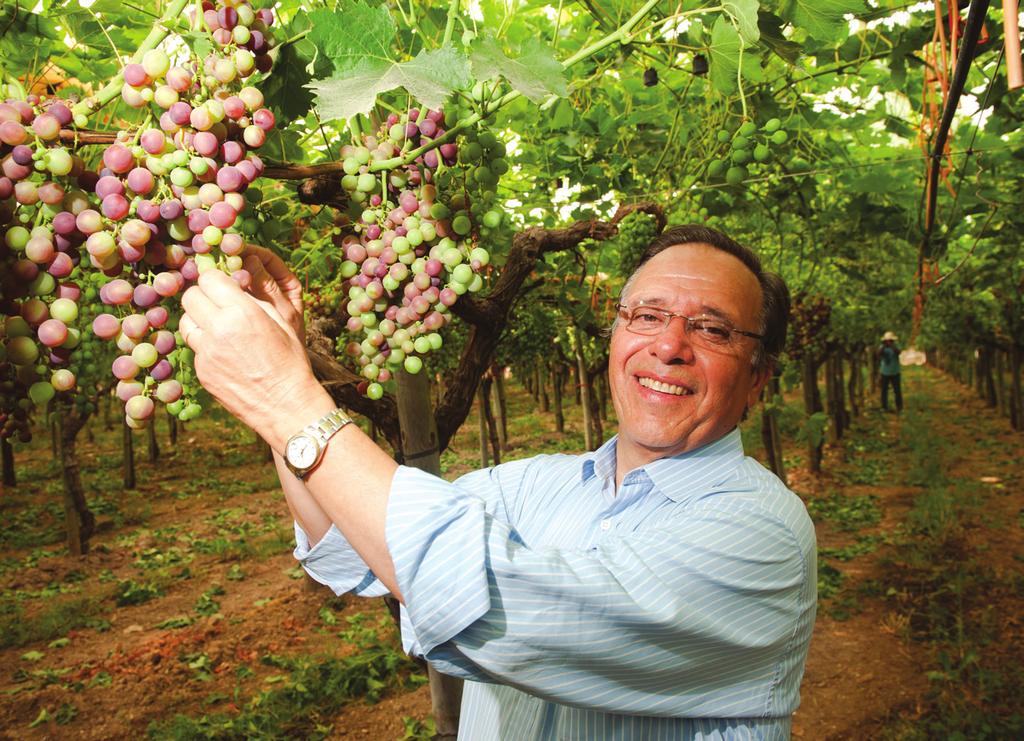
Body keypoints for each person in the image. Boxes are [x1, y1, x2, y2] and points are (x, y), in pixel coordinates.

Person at [179, 224, 817, 739]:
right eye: (647, 315)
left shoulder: (763, 533)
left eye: (711, 329)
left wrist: (286, 397)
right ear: (616, 334)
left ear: (759, 376)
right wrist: (278, 394)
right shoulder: (535, 486)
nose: (669, 345)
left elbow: (502, 608)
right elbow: (358, 545)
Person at [878, 331, 902, 412]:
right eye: (887, 341)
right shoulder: (882, 347)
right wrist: (884, 347)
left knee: (897, 390)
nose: (888, 342)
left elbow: (898, 352)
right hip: (885, 372)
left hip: (895, 371)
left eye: (890, 340)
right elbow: (878, 354)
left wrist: (892, 346)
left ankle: (899, 406)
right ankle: (884, 406)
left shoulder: (896, 346)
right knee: (884, 390)